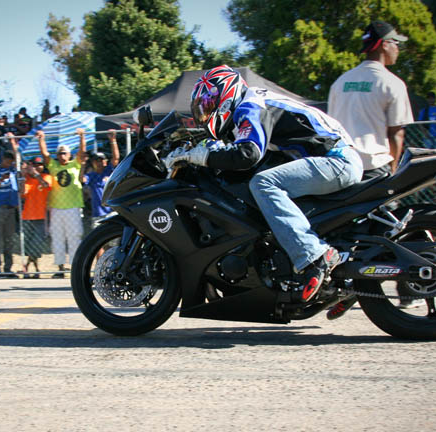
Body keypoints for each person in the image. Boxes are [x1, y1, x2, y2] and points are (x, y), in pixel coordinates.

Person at [164, 65, 362, 302]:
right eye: (201, 109)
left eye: (207, 106)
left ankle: (314, 256)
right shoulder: (251, 105)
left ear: (225, 94)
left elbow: (249, 153)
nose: (205, 115)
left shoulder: (250, 105)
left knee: (263, 184)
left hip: (337, 160)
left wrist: (201, 156)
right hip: (330, 159)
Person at [326, 20, 415, 318]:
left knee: (343, 231)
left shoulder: (340, 83)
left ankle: (344, 286)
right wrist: (394, 172)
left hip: (341, 169)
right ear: (383, 45)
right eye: (395, 43)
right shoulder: (392, 84)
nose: (398, 48)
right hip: (376, 167)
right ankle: (409, 292)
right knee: (394, 229)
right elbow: (396, 134)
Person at [37, 128, 87, 278]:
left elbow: (82, 152)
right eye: (59, 153)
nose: (62, 156)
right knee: (57, 237)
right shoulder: (54, 166)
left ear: (69, 154)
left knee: (74, 237)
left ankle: (75, 267)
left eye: (64, 153)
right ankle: (60, 268)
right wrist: (41, 139)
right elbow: (45, 155)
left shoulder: (75, 164)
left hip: (73, 207)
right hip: (57, 207)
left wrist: (81, 137)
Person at [0, 149, 22, 278]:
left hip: (11, 208)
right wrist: (1, 180)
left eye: (11, 162)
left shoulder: (14, 170)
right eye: (7, 161)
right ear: (3, 159)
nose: (9, 164)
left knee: (9, 240)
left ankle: (8, 268)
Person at [81, 130, 120, 230]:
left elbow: (116, 158)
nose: (99, 163)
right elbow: (82, 179)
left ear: (105, 162)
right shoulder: (91, 176)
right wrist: (83, 164)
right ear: (92, 163)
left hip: (111, 212)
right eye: (96, 161)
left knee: (114, 237)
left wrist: (113, 140)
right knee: (99, 238)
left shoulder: (109, 172)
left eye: (101, 160)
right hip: (97, 214)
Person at [21, 156, 52, 278]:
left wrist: (36, 175)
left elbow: (46, 186)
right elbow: (22, 193)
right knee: (29, 245)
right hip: (27, 216)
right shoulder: (26, 179)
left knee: (37, 244)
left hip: (40, 216)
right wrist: (23, 175)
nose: (38, 167)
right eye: (35, 165)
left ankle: (28, 267)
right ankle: (34, 268)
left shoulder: (46, 177)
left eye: (40, 165)